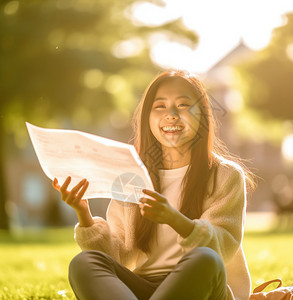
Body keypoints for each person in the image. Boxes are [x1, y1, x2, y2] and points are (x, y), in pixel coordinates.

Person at [53, 69, 254, 300]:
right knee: (84, 262)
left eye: (183, 105)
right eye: (159, 106)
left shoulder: (226, 175)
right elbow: (120, 257)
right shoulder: (131, 178)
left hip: (204, 286)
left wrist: (174, 219)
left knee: (205, 258)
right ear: (147, 118)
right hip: (144, 289)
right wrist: (84, 214)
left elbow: (222, 247)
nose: (171, 114)